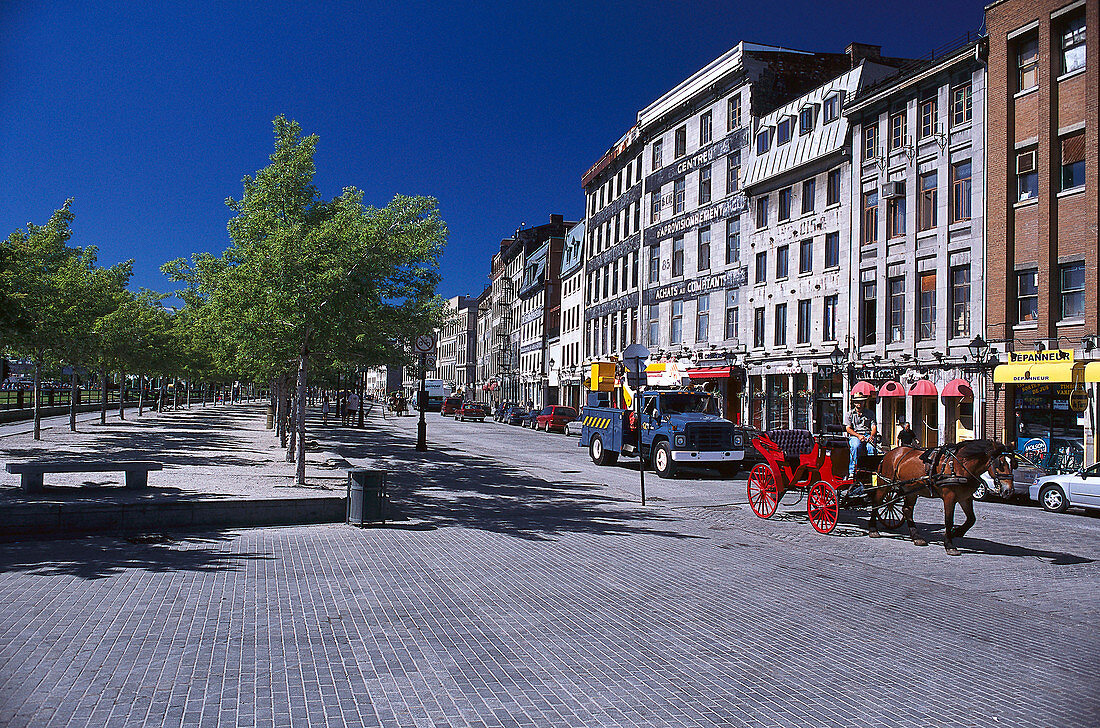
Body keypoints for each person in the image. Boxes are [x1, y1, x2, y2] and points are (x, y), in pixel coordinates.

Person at [845, 397, 879, 495]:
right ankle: (852, 470)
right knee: (856, 446)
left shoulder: (870, 413)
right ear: (854, 403)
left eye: (860, 401)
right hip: (855, 435)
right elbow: (848, 429)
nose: (859, 403)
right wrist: (858, 436)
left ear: (864, 402)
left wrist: (872, 436)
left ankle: (871, 471)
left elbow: (874, 427)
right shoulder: (849, 414)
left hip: (868, 435)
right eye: (857, 402)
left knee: (871, 448)